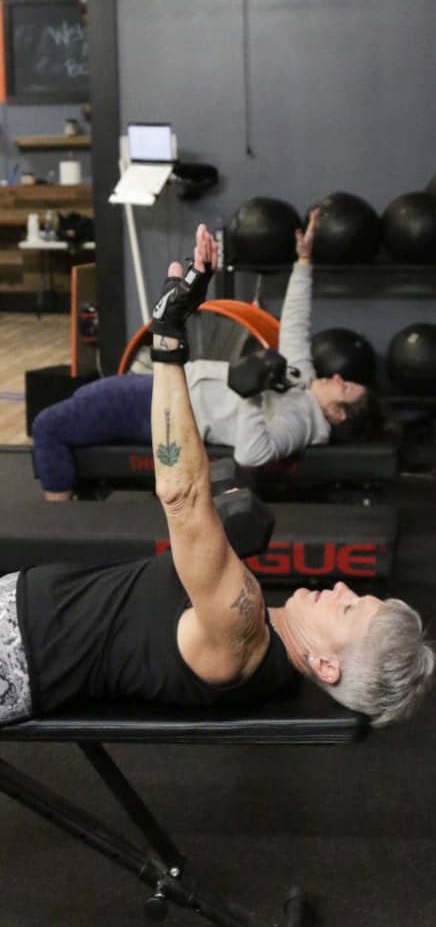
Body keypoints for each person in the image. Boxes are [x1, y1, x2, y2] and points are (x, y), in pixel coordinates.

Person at [0, 224, 433, 729]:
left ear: (326, 665)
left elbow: (180, 494)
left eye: (347, 609)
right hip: (23, 621)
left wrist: (167, 339)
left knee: (54, 426)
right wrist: (303, 263)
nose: (341, 588)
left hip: (17, 649)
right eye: (355, 597)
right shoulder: (256, 628)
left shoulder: (241, 632)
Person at [32, 209, 383, 500]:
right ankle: (75, 496)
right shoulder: (302, 380)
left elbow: (252, 454)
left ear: (337, 415)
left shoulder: (302, 424)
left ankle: (62, 524)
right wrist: (304, 260)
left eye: (346, 387)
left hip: (170, 411)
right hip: (168, 387)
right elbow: (295, 323)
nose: (337, 376)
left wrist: (252, 394)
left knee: (49, 426)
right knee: (76, 407)